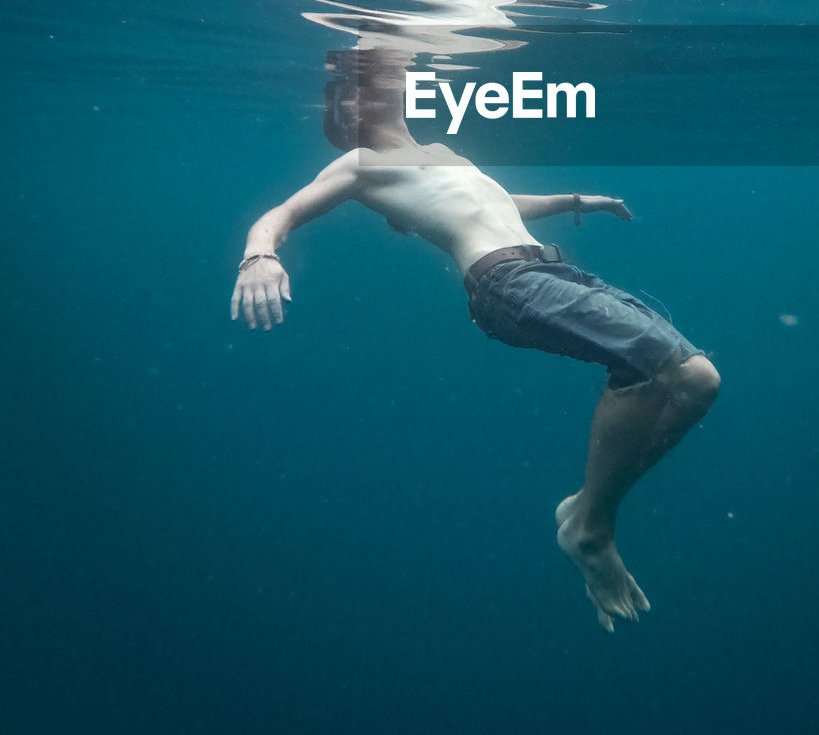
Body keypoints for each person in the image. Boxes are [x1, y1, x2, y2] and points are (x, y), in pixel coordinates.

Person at [231, 56, 720, 632]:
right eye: (363, 87)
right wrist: (259, 255)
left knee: (696, 381)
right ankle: (591, 527)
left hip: (550, 272)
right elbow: (279, 214)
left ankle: (585, 511)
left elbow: (502, 203)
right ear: (352, 112)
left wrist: (577, 201)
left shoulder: (440, 155)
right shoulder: (361, 164)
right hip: (506, 285)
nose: (382, 88)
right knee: (661, 370)